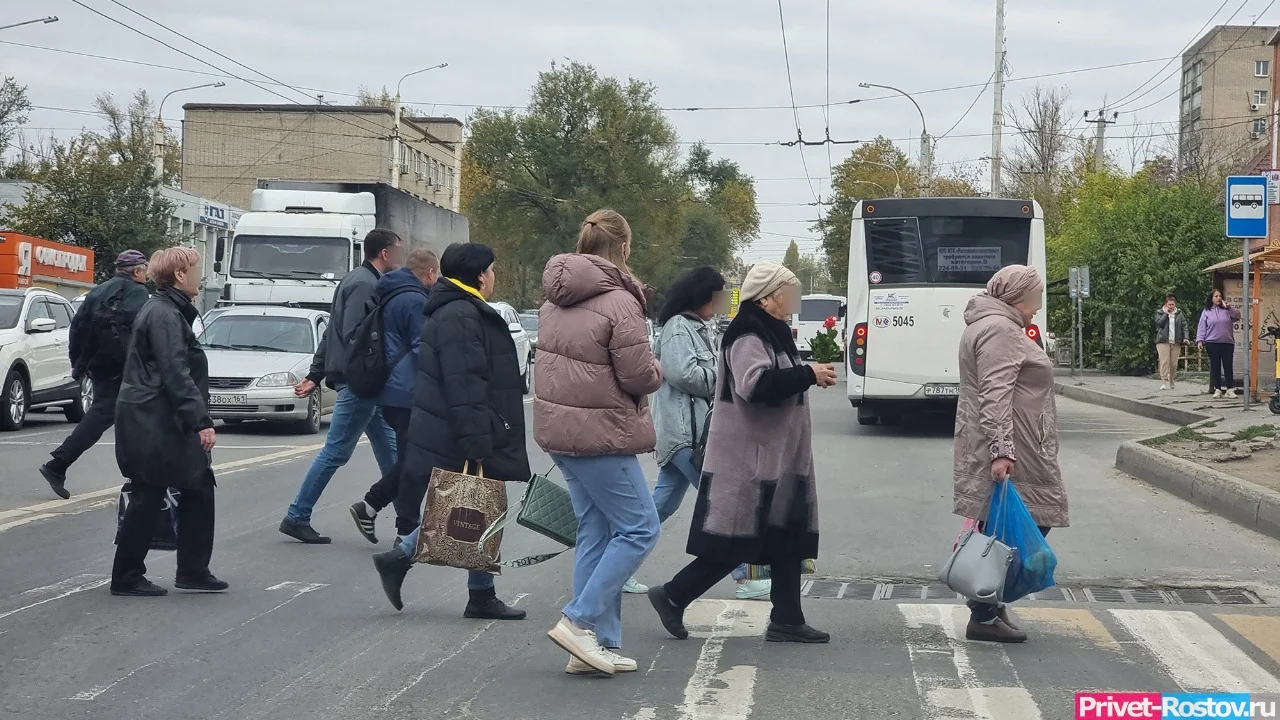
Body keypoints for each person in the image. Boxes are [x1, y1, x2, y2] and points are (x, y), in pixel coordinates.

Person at [647, 261, 835, 647]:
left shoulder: (773, 329)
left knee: (786, 538)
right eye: (789, 293)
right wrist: (808, 374)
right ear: (767, 297)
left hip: (779, 457)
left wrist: (809, 374)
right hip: (751, 457)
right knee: (735, 541)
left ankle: (787, 618)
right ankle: (673, 594)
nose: (793, 301)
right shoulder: (747, 332)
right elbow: (756, 385)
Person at [371, 243, 528, 621]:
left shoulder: (458, 310)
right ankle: (469, 590)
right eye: (491, 270)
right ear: (478, 275)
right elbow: (466, 384)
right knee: (478, 506)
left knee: (472, 506)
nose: (493, 276)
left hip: (460, 426)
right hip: (464, 430)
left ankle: (469, 588)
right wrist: (477, 442)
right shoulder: (461, 315)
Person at [537, 209, 664, 677]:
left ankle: (595, 646)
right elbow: (637, 375)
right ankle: (579, 622)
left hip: (561, 431)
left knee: (597, 530)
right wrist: (658, 371)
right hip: (603, 432)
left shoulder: (553, 300)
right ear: (624, 248)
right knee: (640, 529)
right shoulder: (620, 301)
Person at [622, 267, 770, 600]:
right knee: (723, 502)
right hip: (686, 436)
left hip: (689, 434)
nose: (719, 304)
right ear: (702, 296)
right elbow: (682, 374)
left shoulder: (696, 327)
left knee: (657, 508)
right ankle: (745, 577)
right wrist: (725, 375)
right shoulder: (678, 329)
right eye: (717, 296)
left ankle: (617, 567)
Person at [952, 264, 1068, 643]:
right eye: (1034, 297)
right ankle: (983, 611)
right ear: (1018, 297)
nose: (1037, 306)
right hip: (1014, 442)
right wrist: (1002, 450)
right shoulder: (1000, 329)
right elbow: (996, 392)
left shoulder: (994, 324)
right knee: (1018, 526)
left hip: (1015, 439)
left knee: (1005, 524)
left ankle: (991, 605)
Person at [111, 247, 226, 597]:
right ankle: (127, 576)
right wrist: (201, 421)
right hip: (154, 420)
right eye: (195, 269)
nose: (199, 277)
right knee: (148, 493)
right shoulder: (163, 314)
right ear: (179, 275)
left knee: (197, 485)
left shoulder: (168, 310)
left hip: (161, 417)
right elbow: (175, 372)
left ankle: (192, 570)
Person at [280, 229, 402, 544]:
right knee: (336, 451)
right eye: (397, 251)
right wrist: (374, 372)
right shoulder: (366, 284)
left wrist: (315, 373)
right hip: (360, 383)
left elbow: (330, 334)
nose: (400, 258)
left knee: (392, 452)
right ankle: (297, 515)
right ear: (385, 253)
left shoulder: (355, 280)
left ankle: (410, 523)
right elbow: (354, 336)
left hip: (363, 383)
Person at [39, 250, 151, 499]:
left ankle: (61, 464)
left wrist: (78, 363)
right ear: (136, 271)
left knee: (115, 414)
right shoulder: (138, 293)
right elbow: (142, 332)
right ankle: (58, 463)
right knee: (112, 415)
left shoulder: (98, 291)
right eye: (145, 268)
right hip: (123, 366)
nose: (148, 273)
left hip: (98, 364)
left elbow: (77, 327)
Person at [349, 249, 438, 544]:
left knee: (413, 461)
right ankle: (398, 524)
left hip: (392, 391)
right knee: (417, 462)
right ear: (430, 273)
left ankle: (383, 514)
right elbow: (421, 347)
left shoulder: (392, 292)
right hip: (407, 392)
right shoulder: (413, 300)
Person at [1196, 289, 1242, 398]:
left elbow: (1237, 316)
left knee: (1228, 365)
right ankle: (1217, 389)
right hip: (1212, 342)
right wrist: (1200, 340)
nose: (1218, 298)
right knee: (1215, 366)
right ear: (1211, 299)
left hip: (1227, 342)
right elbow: (1202, 327)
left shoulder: (1227, 310)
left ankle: (1230, 389)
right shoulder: (1207, 312)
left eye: (1220, 296)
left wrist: (1229, 307)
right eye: (1216, 296)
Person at [1155, 293, 1189, 391]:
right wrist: (1166, 314)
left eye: (1172, 304)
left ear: (1175, 304)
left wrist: (1186, 337)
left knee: (1173, 363)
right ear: (1165, 304)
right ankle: (1163, 382)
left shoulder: (1179, 313)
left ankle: (1171, 379)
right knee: (1164, 361)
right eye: (1169, 304)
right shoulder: (1160, 313)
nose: (1171, 306)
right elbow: (1159, 324)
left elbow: (1184, 326)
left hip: (1176, 341)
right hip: (1163, 340)